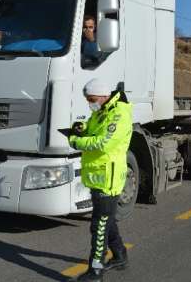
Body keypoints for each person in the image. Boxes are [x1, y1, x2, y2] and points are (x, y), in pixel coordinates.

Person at [68, 79, 132, 281]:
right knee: (107, 219)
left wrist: (76, 140)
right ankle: (120, 255)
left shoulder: (119, 114)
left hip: (108, 178)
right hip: (98, 175)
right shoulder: (103, 110)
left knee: (99, 224)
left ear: (104, 96)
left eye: (92, 99)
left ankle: (96, 270)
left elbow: (104, 142)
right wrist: (81, 127)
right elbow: (92, 127)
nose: (90, 103)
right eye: (88, 100)